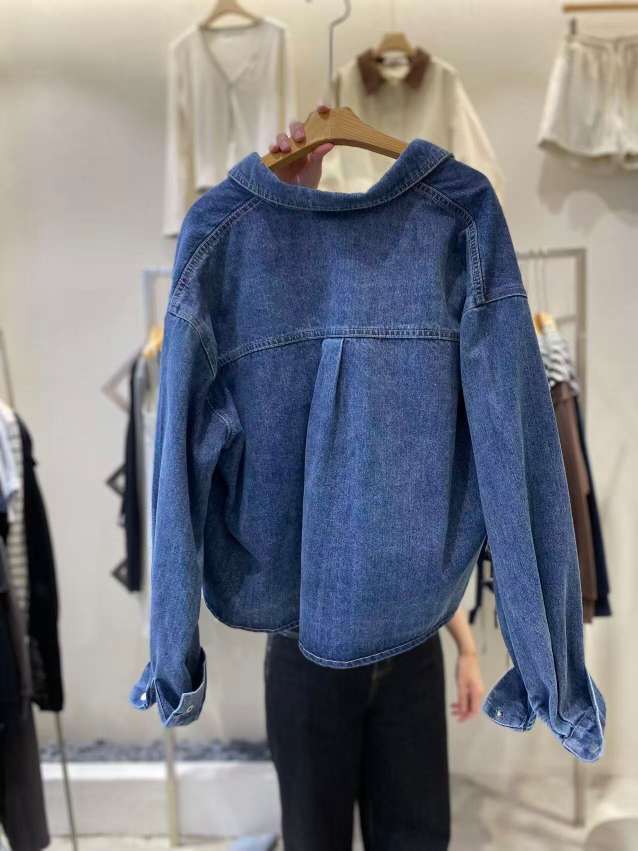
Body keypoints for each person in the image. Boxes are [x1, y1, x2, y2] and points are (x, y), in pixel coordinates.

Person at [263, 110, 486, 851]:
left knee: (417, 837)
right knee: (313, 837)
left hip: (411, 641)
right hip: (306, 646)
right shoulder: (274, 340)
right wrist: (286, 199)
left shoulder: (414, 355)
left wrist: (468, 645)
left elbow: (419, 512)